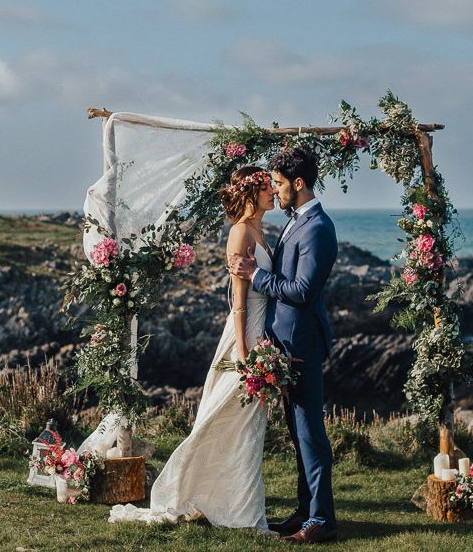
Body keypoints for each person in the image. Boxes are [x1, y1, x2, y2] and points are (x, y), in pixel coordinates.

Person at [109, 166, 276, 533]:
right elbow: (239, 301)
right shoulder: (240, 233)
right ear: (249, 194)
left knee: (247, 422)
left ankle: (240, 504)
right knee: (225, 414)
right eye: (266, 188)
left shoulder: (261, 230)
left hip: (263, 334)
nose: (273, 193)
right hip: (245, 335)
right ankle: (206, 494)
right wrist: (244, 351)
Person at [228, 146, 339, 544]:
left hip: (303, 345)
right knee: (298, 433)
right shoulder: (297, 221)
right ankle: (305, 511)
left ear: (298, 183)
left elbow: (302, 291)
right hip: (286, 344)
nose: (274, 191)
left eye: (277, 183)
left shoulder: (318, 229)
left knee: (310, 434)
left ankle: (322, 520)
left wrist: (257, 275)